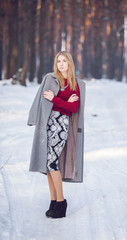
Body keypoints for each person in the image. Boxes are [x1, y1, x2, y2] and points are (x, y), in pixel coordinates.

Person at [27, 51, 85, 219]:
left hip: (61, 126)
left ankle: (61, 202)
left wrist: (55, 99)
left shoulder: (75, 84)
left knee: (52, 163)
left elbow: (73, 109)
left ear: (70, 63)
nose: (61, 64)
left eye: (64, 61)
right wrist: (64, 102)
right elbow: (40, 99)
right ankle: (53, 201)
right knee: (47, 165)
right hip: (48, 124)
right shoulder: (51, 79)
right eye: (58, 61)